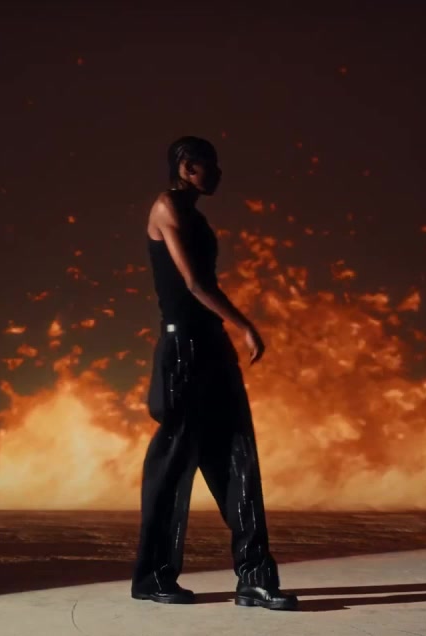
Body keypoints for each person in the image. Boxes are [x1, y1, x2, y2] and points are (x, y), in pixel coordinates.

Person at [130, 136, 298, 611]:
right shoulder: (166, 207)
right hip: (183, 348)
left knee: (238, 457)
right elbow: (194, 283)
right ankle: (154, 577)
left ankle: (255, 578)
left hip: (209, 345)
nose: (218, 173)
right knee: (173, 464)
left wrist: (230, 333)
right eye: (210, 165)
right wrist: (246, 325)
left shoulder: (194, 214)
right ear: (187, 167)